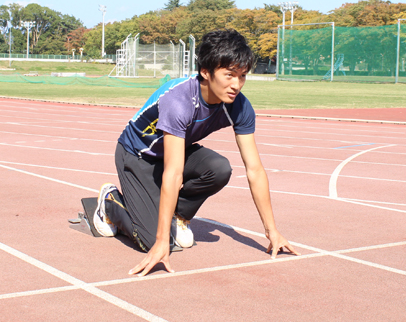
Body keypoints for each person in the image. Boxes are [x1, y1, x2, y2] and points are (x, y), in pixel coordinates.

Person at [93, 29, 300, 277]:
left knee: (220, 168)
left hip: (176, 150)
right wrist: (160, 241)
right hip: (137, 155)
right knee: (153, 241)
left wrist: (272, 231)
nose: (237, 84)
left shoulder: (240, 106)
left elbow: (254, 169)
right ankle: (111, 202)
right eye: (229, 75)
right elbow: (173, 172)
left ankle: (178, 215)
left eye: (243, 76)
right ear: (206, 72)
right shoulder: (178, 100)